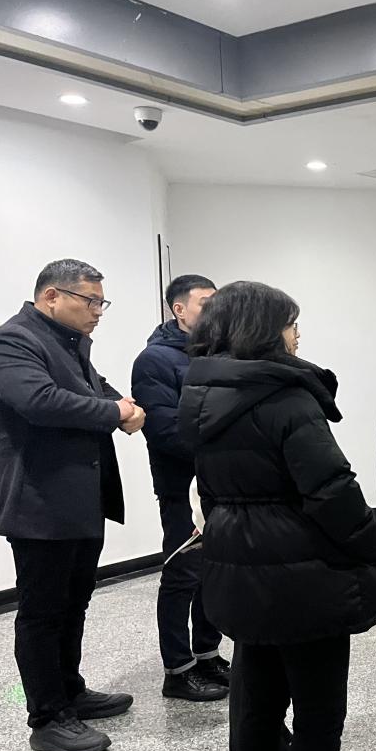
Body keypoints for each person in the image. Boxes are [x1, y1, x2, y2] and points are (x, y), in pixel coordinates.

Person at [179, 281, 376, 751]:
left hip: (237, 568)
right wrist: (372, 538)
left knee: (258, 709)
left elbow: (210, 491)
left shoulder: (201, 395)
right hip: (304, 578)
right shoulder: (286, 397)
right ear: (264, 329)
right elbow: (330, 490)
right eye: (291, 324)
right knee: (319, 718)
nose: (297, 335)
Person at [0, 259, 143, 751]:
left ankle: (70, 690)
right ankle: (47, 718)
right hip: (39, 503)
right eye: (90, 301)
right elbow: (41, 401)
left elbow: (95, 389)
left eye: (101, 301)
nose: (98, 311)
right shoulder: (12, 341)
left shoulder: (70, 343)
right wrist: (114, 412)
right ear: (52, 296)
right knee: (42, 612)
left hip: (80, 501)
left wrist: (124, 405)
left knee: (74, 603)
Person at [131, 274, 230, 702]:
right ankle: (178, 669)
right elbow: (164, 430)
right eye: (205, 303)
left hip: (219, 484)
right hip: (181, 487)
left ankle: (207, 654)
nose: (214, 310)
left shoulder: (217, 352)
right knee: (182, 575)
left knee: (214, 572)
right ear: (179, 309)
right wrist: (224, 444)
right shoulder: (154, 360)